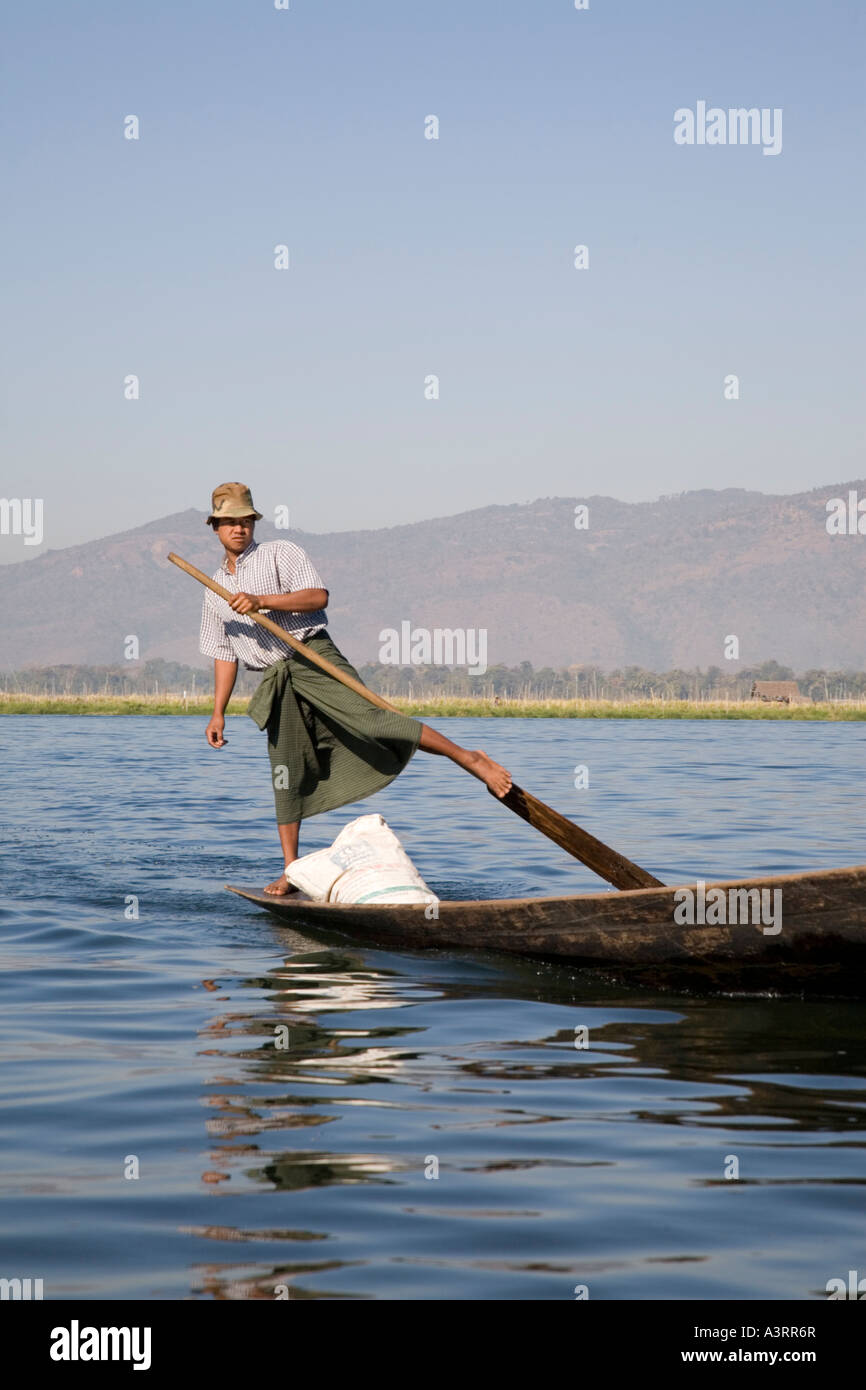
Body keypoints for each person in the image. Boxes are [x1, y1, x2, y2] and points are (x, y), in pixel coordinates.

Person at [198, 483, 512, 894]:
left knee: (375, 721)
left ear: (254, 522)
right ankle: (293, 871)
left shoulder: (281, 554)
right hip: (277, 681)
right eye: (229, 523)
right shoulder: (214, 587)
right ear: (216, 528)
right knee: (284, 772)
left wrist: (262, 601)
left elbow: (318, 597)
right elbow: (224, 653)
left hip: (313, 656)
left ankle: (470, 759)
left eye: (244, 521)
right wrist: (218, 711)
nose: (238, 529)